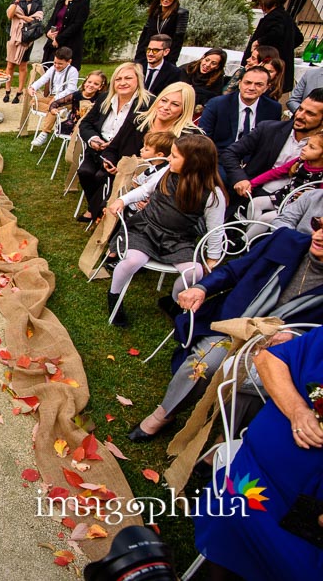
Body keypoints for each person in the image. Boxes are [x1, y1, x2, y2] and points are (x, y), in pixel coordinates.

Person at [128, 224, 323, 442]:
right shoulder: (285, 240)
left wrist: (295, 335)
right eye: (319, 224)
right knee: (205, 365)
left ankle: (224, 441)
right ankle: (164, 413)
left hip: (277, 349)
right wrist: (201, 288)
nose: (319, 235)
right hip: (233, 326)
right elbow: (234, 270)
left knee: (257, 385)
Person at [193, 325, 323, 580]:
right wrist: (298, 410)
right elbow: (268, 358)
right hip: (262, 473)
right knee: (235, 510)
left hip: (313, 516)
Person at [104, 135, 226, 326]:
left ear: (194, 163)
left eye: (175, 156)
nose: (169, 158)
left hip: (178, 239)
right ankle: (114, 297)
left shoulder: (213, 194)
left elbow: (215, 229)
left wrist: (212, 257)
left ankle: (174, 301)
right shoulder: (167, 172)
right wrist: (122, 200)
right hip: (146, 228)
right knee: (133, 261)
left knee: (194, 272)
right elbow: (145, 190)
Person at [221, 88, 323, 205]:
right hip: (253, 194)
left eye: (310, 114)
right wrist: (240, 179)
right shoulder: (268, 129)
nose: (299, 115)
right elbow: (230, 153)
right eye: (300, 109)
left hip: (297, 206)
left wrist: (314, 196)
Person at [76, 63, 151, 221]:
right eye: (118, 79)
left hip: (123, 154)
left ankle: (96, 211)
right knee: (84, 172)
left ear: (138, 80)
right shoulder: (105, 99)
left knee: (101, 176)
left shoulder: (146, 104)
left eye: (128, 78)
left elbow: (142, 137)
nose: (122, 82)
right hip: (97, 148)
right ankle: (95, 207)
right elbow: (86, 123)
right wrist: (93, 139)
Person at [246, 132, 323, 226]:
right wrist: (252, 183)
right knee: (255, 203)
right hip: (285, 195)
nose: (304, 148)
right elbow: (277, 172)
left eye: (311, 147)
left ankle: (247, 239)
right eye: (306, 144)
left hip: (296, 206)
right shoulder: (300, 161)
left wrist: (308, 198)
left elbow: (320, 197)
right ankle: (248, 233)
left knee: (266, 218)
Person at [200, 66, 280, 150]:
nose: (251, 88)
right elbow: (203, 139)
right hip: (220, 158)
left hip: (253, 160)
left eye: (259, 84)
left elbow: (270, 142)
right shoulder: (217, 104)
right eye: (247, 83)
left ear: (266, 88)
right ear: (239, 83)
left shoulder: (273, 108)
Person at [244, 0, 303, 94]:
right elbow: (299, 38)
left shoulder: (274, 17)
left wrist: (259, 42)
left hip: (266, 63)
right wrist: (285, 48)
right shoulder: (287, 17)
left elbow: (276, 33)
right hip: (280, 64)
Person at [27, 46, 79, 147]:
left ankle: (44, 132)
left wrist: (56, 98)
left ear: (69, 62)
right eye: (55, 62)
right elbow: (43, 79)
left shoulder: (72, 71)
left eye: (60, 64)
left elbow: (71, 89)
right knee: (33, 102)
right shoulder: (52, 69)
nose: (56, 65)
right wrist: (32, 87)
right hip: (52, 97)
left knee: (53, 107)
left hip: (66, 100)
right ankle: (57, 112)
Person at [4, 0, 43, 104]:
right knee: (10, 65)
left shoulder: (38, 2)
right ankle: (7, 90)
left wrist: (22, 17)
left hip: (27, 39)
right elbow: (10, 15)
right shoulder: (18, 0)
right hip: (14, 37)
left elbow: (37, 19)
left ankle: (19, 92)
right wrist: (17, 0)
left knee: (23, 65)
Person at [42, 0, 90, 69]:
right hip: (53, 43)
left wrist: (59, 39)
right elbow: (52, 20)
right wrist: (48, 32)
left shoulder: (84, 2)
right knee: (48, 70)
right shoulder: (61, 1)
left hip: (70, 44)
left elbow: (77, 25)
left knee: (65, 73)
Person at [134, 0, 189, 64]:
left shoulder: (181, 13)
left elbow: (178, 40)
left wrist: (171, 62)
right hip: (148, 53)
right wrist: (138, 58)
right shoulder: (154, 11)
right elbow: (145, 35)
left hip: (165, 56)